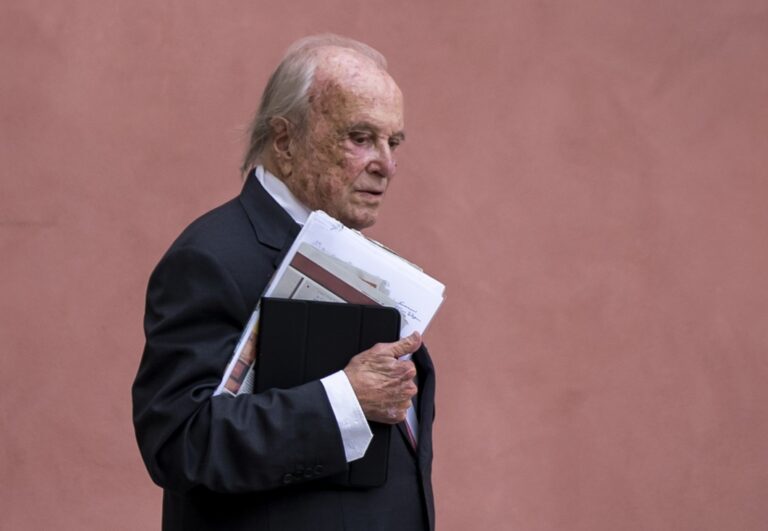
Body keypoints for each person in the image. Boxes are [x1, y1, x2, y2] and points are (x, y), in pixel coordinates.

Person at [132, 34, 436, 531]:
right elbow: (178, 442)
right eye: (360, 137)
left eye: (393, 142)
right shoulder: (210, 257)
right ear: (284, 141)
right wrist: (344, 400)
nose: (387, 165)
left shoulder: (353, 254)